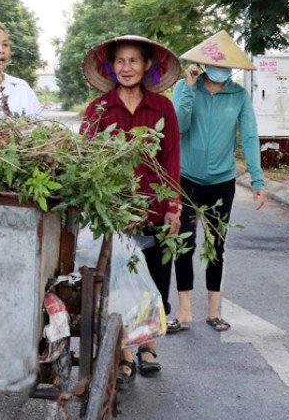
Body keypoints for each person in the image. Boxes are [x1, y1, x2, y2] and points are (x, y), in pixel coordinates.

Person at [80, 35, 182, 384]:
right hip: (113, 211)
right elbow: (85, 158)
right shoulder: (98, 109)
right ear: (111, 67)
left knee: (151, 279)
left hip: (153, 209)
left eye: (133, 61)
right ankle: (125, 351)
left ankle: (147, 345)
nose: (126, 68)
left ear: (147, 65)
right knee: (118, 282)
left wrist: (173, 206)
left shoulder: (163, 108)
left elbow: (170, 160)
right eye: (120, 61)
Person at [170, 31, 267, 333]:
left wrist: (257, 180)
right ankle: (184, 310)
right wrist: (187, 87)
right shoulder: (185, 87)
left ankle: (214, 310)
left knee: (216, 244)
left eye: (227, 64)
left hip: (222, 180)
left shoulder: (238, 95)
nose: (221, 68)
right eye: (216, 63)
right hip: (186, 178)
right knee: (183, 242)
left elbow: (249, 136)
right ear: (203, 62)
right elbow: (179, 126)